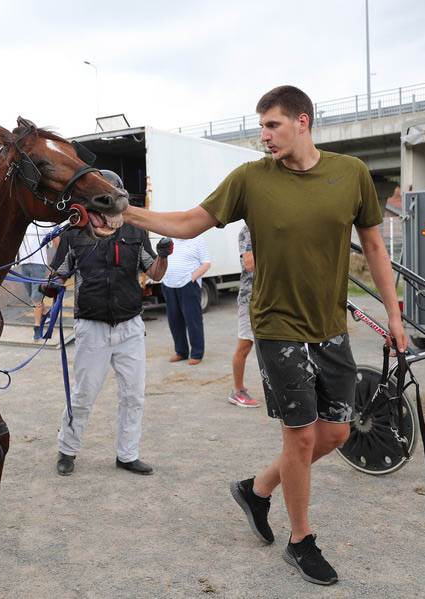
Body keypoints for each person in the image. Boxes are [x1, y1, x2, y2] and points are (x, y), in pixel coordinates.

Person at [122, 86, 407, 586]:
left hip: (330, 328)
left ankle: (256, 489)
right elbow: (190, 222)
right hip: (276, 328)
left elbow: (376, 248)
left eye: (272, 125)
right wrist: (126, 213)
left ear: (303, 121)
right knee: (299, 438)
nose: (264, 136)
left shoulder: (351, 174)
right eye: (261, 127)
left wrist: (395, 315)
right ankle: (301, 541)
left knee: (337, 433)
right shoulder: (251, 179)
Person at [45, 170, 171, 477]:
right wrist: (54, 284)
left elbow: (154, 273)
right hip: (91, 326)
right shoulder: (75, 232)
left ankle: (127, 455)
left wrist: (165, 256)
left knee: (133, 394)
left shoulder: (134, 232)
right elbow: (59, 272)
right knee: (84, 393)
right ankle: (68, 450)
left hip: (130, 325)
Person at [160, 235, 210, 365]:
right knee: (174, 321)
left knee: (193, 320)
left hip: (188, 285)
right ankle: (181, 352)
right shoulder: (169, 240)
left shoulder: (197, 240)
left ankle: (197, 353)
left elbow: (206, 263)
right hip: (168, 284)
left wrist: (192, 277)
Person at [228, 224, 259, 408]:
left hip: (273, 297)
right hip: (251, 298)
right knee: (245, 346)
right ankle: (238, 391)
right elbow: (249, 264)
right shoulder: (248, 230)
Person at [17, 223, 57, 340]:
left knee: (36, 298)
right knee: (32, 297)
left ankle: (37, 328)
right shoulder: (23, 223)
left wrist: (58, 264)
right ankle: (46, 313)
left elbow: (55, 239)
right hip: (24, 265)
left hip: (39, 265)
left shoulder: (44, 223)